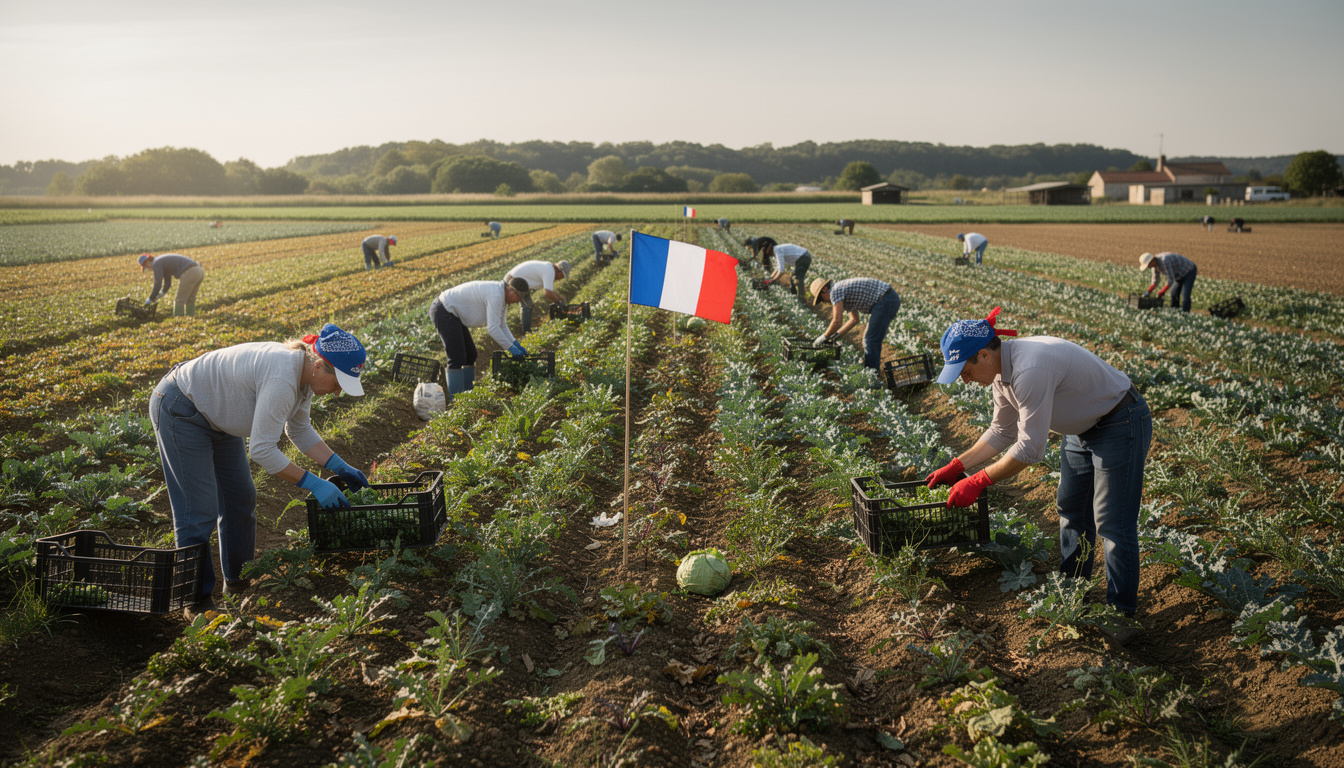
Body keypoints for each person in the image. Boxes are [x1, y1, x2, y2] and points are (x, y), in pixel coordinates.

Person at [926, 308, 1151, 643]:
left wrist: (977, 481)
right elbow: (1002, 431)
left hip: (1120, 421)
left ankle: (1121, 613)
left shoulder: (1030, 367)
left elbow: (1030, 449)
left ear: (984, 355)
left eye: (965, 371)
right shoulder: (1001, 373)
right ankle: (1073, 588)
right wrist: (958, 466)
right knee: (1072, 509)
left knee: (1112, 522)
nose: (965, 380)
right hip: (1081, 430)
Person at [149, 323, 369, 614]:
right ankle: (195, 601)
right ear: (318, 366)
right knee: (197, 508)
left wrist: (339, 466)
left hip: (219, 418)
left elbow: (300, 430)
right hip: (182, 407)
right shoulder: (283, 378)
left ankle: (238, 582)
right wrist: (315, 484)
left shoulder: (304, 378)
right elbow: (262, 450)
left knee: (240, 496)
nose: (338, 393)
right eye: (338, 383)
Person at [430, 277, 532, 396]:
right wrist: (510, 348)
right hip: (444, 310)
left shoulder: (502, 296)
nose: (519, 301)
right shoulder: (496, 295)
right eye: (519, 298)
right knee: (457, 357)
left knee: (471, 354)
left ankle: (467, 394)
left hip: (454, 314)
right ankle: (456, 401)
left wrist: (515, 343)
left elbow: (501, 324)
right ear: (511, 290)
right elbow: (493, 328)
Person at [809, 276, 900, 371]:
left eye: (821, 298)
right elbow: (854, 320)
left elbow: (837, 321)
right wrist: (835, 336)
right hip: (887, 299)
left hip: (886, 300)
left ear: (825, 289)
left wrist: (823, 337)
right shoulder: (841, 291)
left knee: (870, 340)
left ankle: (872, 376)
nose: (824, 301)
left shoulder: (835, 291)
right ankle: (872, 372)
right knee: (871, 339)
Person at [504, 259, 572, 336]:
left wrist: (559, 298)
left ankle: (526, 331)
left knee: (528, 305)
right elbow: (548, 293)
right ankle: (526, 333)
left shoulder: (549, 268)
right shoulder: (550, 271)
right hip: (513, 281)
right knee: (527, 306)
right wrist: (560, 302)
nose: (560, 279)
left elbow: (550, 292)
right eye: (562, 276)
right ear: (559, 271)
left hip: (514, 278)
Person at [139, 253, 205, 317]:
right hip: (199, 270)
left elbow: (158, 283)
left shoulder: (156, 263)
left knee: (179, 300)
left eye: (146, 266)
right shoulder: (161, 261)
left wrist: (151, 298)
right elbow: (167, 283)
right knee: (190, 298)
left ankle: (178, 321)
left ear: (147, 261)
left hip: (190, 272)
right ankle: (190, 317)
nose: (148, 268)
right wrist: (160, 294)